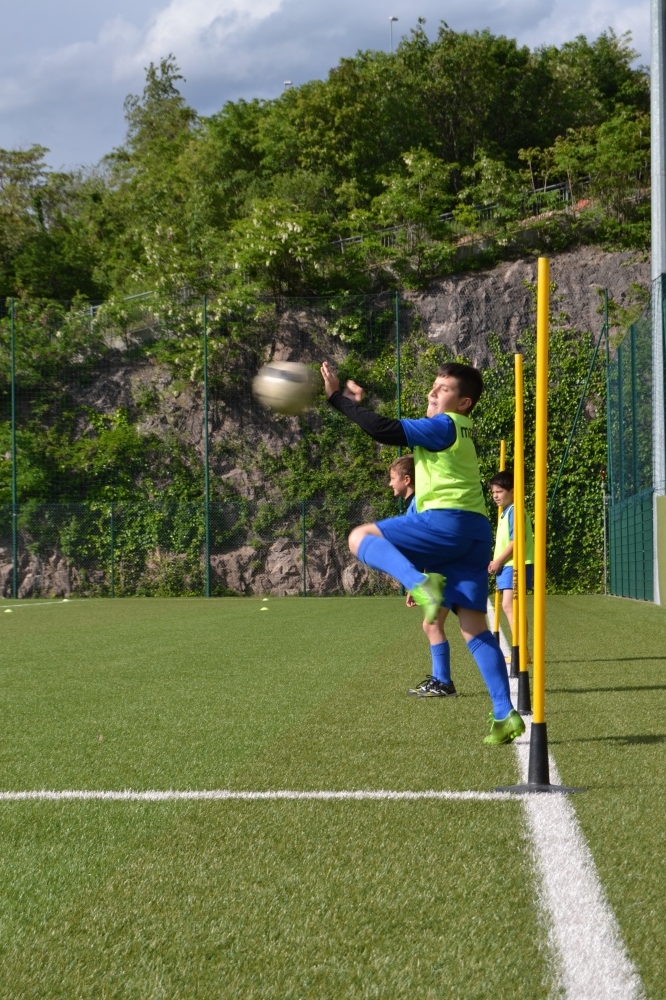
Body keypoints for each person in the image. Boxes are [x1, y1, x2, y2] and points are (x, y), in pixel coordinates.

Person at [321, 360, 524, 745]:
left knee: (359, 536)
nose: (433, 392)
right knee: (474, 628)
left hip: (448, 522)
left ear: (463, 402)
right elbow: (393, 424)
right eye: (433, 386)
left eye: (443, 389)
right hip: (475, 532)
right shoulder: (456, 430)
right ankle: (504, 713)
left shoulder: (445, 426)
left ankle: (419, 584)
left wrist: (336, 399)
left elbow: (384, 429)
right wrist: (362, 403)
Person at [388, 454, 457, 698]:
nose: (390, 483)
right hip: (443, 569)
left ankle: (444, 683)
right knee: (434, 624)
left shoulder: (418, 503)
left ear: (406, 479)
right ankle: (440, 681)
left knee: (433, 624)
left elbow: (420, 545)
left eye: (392, 478)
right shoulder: (417, 503)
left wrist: (414, 580)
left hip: (444, 571)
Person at [488, 470, 534, 644]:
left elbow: (517, 541)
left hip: (515, 564)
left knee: (509, 605)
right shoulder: (506, 512)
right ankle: (521, 649)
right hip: (508, 564)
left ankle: (521, 649)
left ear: (513, 491)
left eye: (499, 492)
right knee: (510, 606)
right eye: (493, 492)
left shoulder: (515, 511)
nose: (495, 496)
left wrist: (498, 561)